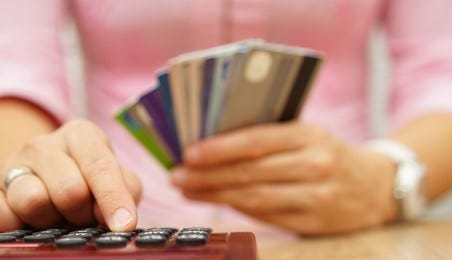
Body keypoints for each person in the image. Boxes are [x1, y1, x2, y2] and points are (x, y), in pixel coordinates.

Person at [0, 0, 452, 236]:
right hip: (118, 237)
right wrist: (39, 179)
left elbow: (441, 72)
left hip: (352, 233)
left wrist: (385, 181)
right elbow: (16, 67)